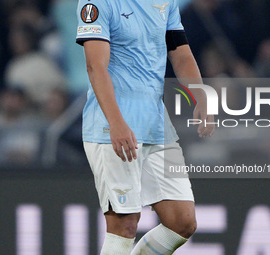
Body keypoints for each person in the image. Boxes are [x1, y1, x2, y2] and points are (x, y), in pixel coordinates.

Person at [76, 0, 214, 254]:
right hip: (113, 127)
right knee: (124, 225)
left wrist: (201, 95)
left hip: (156, 125)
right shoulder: (98, 2)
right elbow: (96, 66)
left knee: (182, 222)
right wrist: (116, 123)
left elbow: (180, 52)